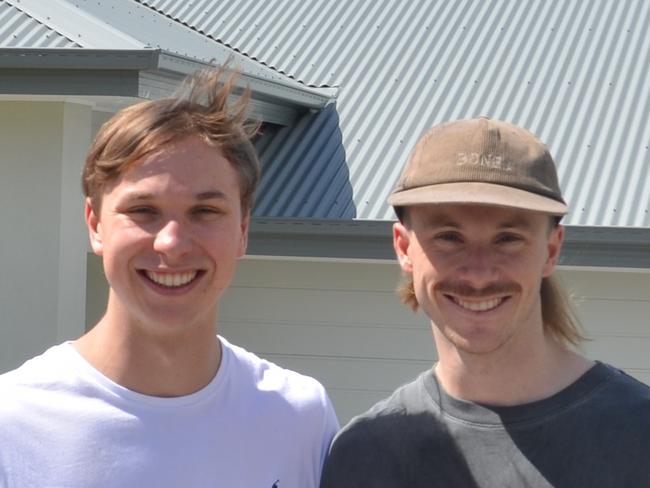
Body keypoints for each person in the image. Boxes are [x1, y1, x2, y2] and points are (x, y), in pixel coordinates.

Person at [0, 67, 338, 487]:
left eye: (205, 211)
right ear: (94, 224)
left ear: (243, 231)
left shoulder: (300, 420)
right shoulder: (12, 423)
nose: (172, 243)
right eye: (143, 211)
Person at [320, 117, 650, 487]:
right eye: (449, 237)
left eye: (508, 238)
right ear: (403, 247)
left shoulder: (639, 433)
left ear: (551, 250)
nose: (478, 274)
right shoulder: (367, 457)